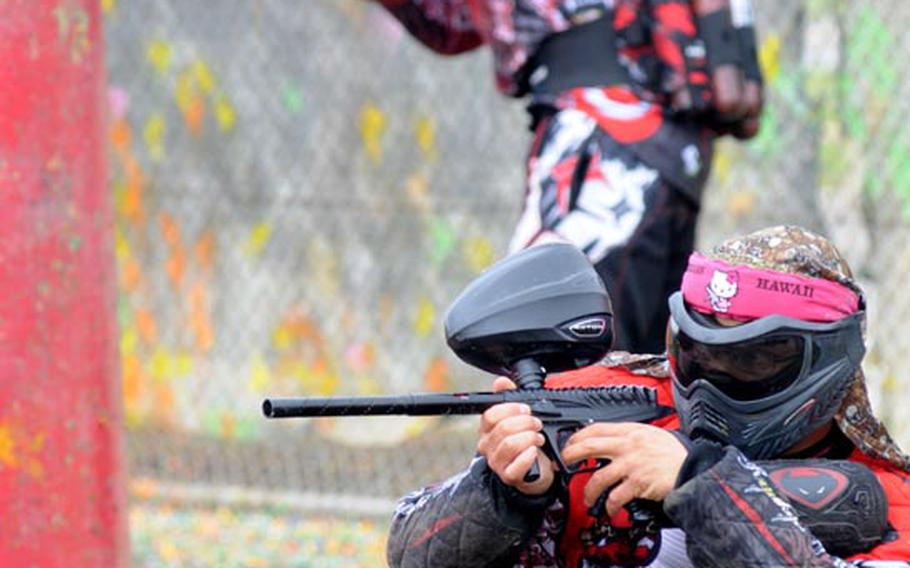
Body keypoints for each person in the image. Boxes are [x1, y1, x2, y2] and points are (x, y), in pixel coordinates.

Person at [386, 225, 910, 566]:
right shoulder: (601, 413)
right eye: (699, 354)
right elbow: (407, 552)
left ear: (829, 358)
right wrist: (501, 492)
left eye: (751, 359)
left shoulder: (891, 500)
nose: (708, 385)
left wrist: (702, 485)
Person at [373, 0, 764, 353]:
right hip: (656, 144)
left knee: (548, 338)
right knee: (639, 366)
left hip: (604, 138)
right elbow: (449, 29)